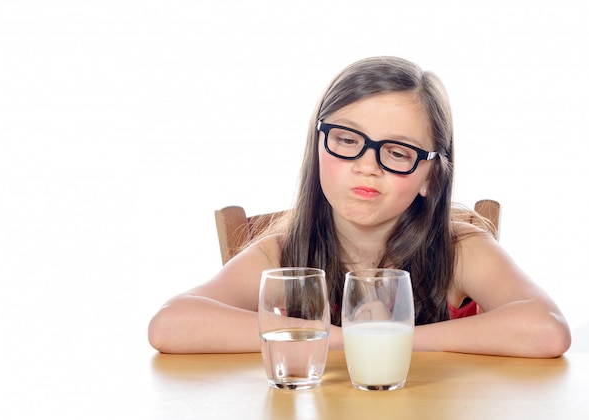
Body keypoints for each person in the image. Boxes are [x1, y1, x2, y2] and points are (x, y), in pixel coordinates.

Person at [148, 56, 571, 357]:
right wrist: (347, 338)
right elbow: (171, 324)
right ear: (318, 148)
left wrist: (388, 337)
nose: (367, 167)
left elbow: (547, 330)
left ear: (431, 177)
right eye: (348, 141)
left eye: (398, 152)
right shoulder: (280, 252)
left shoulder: (461, 249)